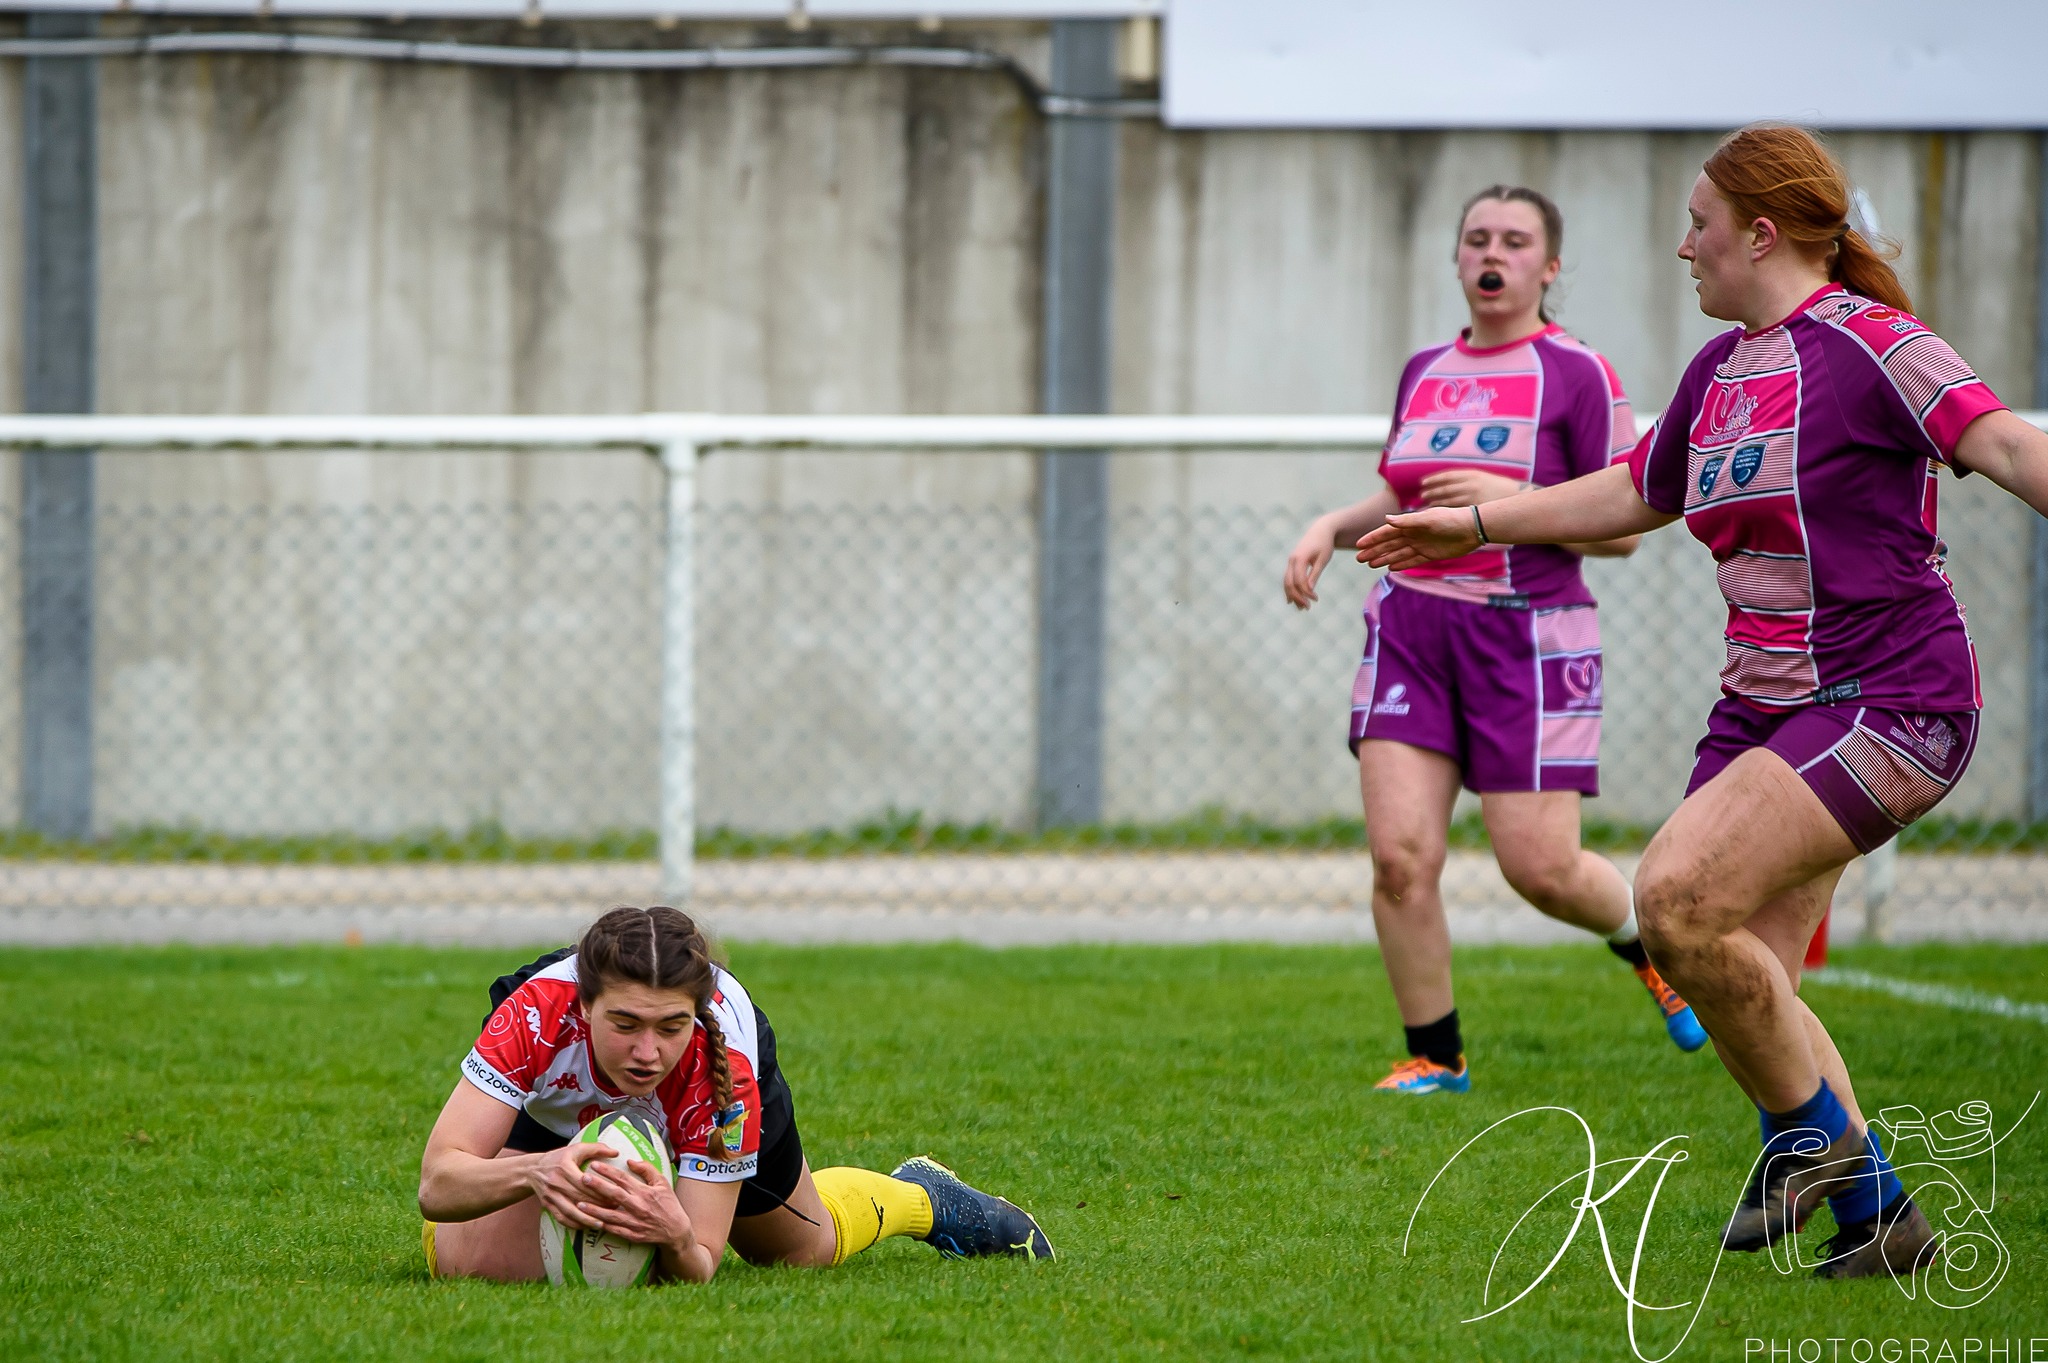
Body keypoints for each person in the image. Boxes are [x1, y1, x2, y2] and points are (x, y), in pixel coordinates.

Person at [1358, 124, 2048, 1278]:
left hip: (1887, 697)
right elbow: (1635, 491)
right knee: (1745, 985)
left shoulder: (1876, 344)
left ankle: (1809, 1147)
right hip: (1759, 710)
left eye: (1697, 224)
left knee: (1670, 901)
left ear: (1759, 232)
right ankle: (1877, 1216)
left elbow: (2006, 447)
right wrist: (1471, 519)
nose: (1682, 247)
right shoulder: (1718, 371)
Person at [1284, 184, 1708, 1097]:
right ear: (1458, 256)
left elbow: (1625, 528)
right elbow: (1408, 496)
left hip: (1528, 641)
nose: (1494, 252)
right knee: (1401, 859)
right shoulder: (1425, 368)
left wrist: (1498, 509)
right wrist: (1330, 525)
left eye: (1516, 241)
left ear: (1548, 267)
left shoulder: (1578, 373)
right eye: (1478, 237)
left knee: (1541, 868)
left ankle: (1644, 939)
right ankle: (1437, 1056)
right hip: (1411, 630)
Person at [418, 905, 1054, 1282]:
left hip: (709, 1110)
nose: (647, 1053)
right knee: (466, 1261)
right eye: (624, 1025)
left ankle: (922, 1197)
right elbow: (439, 1183)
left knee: (804, 1252)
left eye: (670, 1027)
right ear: (584, 1005)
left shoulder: (726, 1072)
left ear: (696, 1015)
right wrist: (540, 1170)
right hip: (563, 1122)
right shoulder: (535, 1015)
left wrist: (673, 1237)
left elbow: (701, 1261)